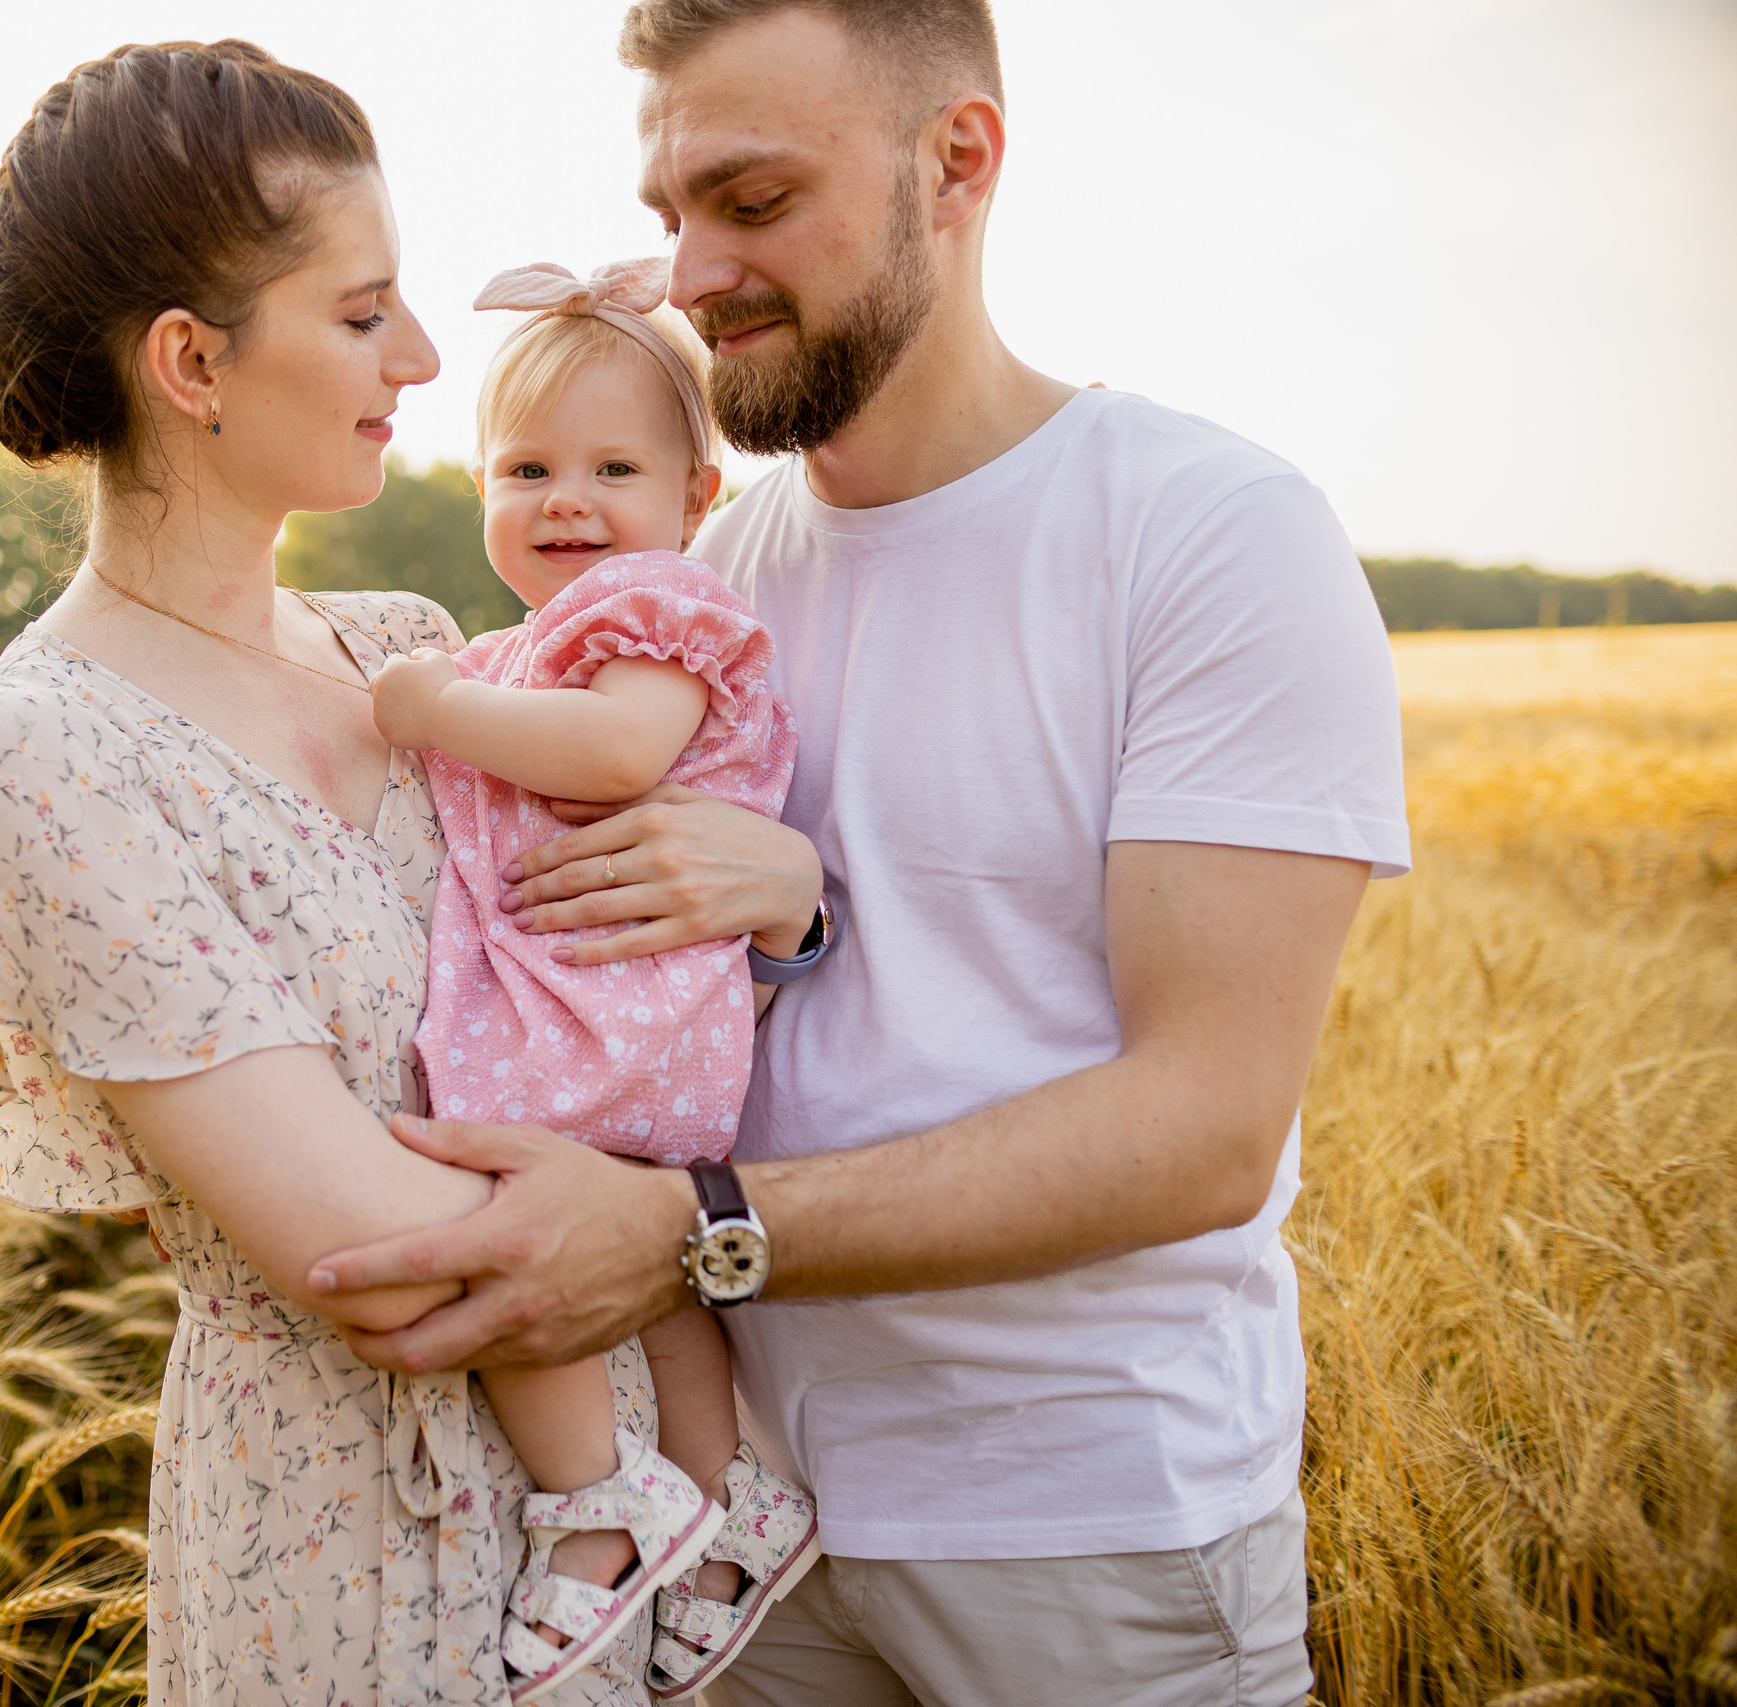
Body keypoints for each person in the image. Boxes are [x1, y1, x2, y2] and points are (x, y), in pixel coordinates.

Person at [305, 3, 1411, 1703]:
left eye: (751, 201)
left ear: (956, 160)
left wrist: (690, 1232)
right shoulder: (692, 566)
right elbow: (742, 960)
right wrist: (795, 917)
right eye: (671, 211)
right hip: (748, 1524)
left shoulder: (1205, 536)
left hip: (1085, 1535)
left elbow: (1203, 1127)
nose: (689, 274)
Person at [0, 39, 819, 1707]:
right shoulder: (45, 747)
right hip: (355, 1553)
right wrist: (697, 1226)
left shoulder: (410, 647)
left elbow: (630, 969)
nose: (429, 357)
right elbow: (361, 1244)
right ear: (192, 361)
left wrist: (783, 887)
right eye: (365, 312)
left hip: (629, 1535)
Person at [366, 256, 817, 1701]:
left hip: (615, 1015)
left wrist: (439, 703)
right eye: (526, 467)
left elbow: (620, 757)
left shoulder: (655, 613)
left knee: (517, 1222)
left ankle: (594, 1502)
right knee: (664, 1275)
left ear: (696, 500)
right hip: (611, 1011)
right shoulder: (532, 644)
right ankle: (727, 1487)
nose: (566, 499)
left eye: (614, 467)